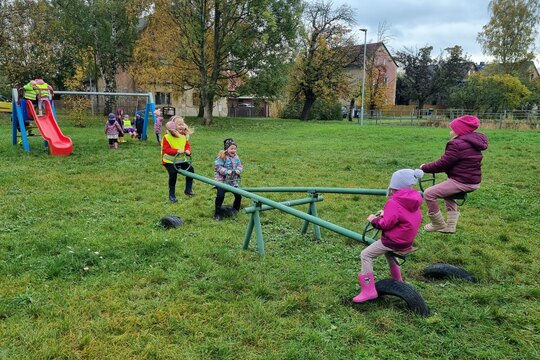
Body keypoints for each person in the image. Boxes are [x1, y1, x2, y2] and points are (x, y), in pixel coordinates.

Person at [353, 169, 424, 303]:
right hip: (406, 240)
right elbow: (402, 215)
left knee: (366, 255)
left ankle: (368, 290)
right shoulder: (413, 198)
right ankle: (398, 280)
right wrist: (386, 212)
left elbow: (386, 224)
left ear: (394, 185)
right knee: (389, 254)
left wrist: (373, 219)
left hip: (394, 240)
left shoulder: (393, 202)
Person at [420, 115, 488, 233]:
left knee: (428, 193)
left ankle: (437, 224)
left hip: (462, 181)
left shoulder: (456, 144)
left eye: (452, 129)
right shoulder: (472, 142)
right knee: (448, 194)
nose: (450, 132)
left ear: (459, 131)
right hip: (472, 180)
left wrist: (424, 167)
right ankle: (450, 226)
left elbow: (443, 164)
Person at [161, 116, 195, 202]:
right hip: (169, 161)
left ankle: (188, 189)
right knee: (173, 174)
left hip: (180, 160)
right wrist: (176, 151)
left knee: (190, 169)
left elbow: (187, 145)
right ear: (172, 126)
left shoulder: (184, 136)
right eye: (179, 124)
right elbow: (166, 149)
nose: (182, 126)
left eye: (182, 124)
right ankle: (172, 195)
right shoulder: (167, 137)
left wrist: (188, 151)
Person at [213, 138, 243, 221]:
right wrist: (226, 171)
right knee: (220, 195)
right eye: (231, 148)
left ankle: (236, 209)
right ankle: (217, 214)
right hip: (222, 181)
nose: (233, 150)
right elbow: (218, 167)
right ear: (227, 149)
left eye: (235, 148)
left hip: (232, 181)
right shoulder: (222, 157)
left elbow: (240, 165)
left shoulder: (236, 157)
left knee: (238, 195)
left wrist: (238, 170)